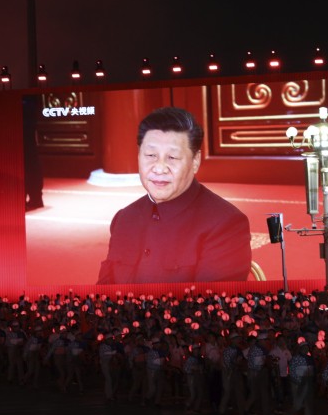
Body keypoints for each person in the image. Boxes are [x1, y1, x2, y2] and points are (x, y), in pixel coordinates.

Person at [97, 107, 251, 284]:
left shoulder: (226, 225)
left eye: (173, 157)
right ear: (139, 156)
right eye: (150, 155)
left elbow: (211, 308)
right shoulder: (124, 219)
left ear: (195, 161)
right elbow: (104, 291)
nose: (160, 168)